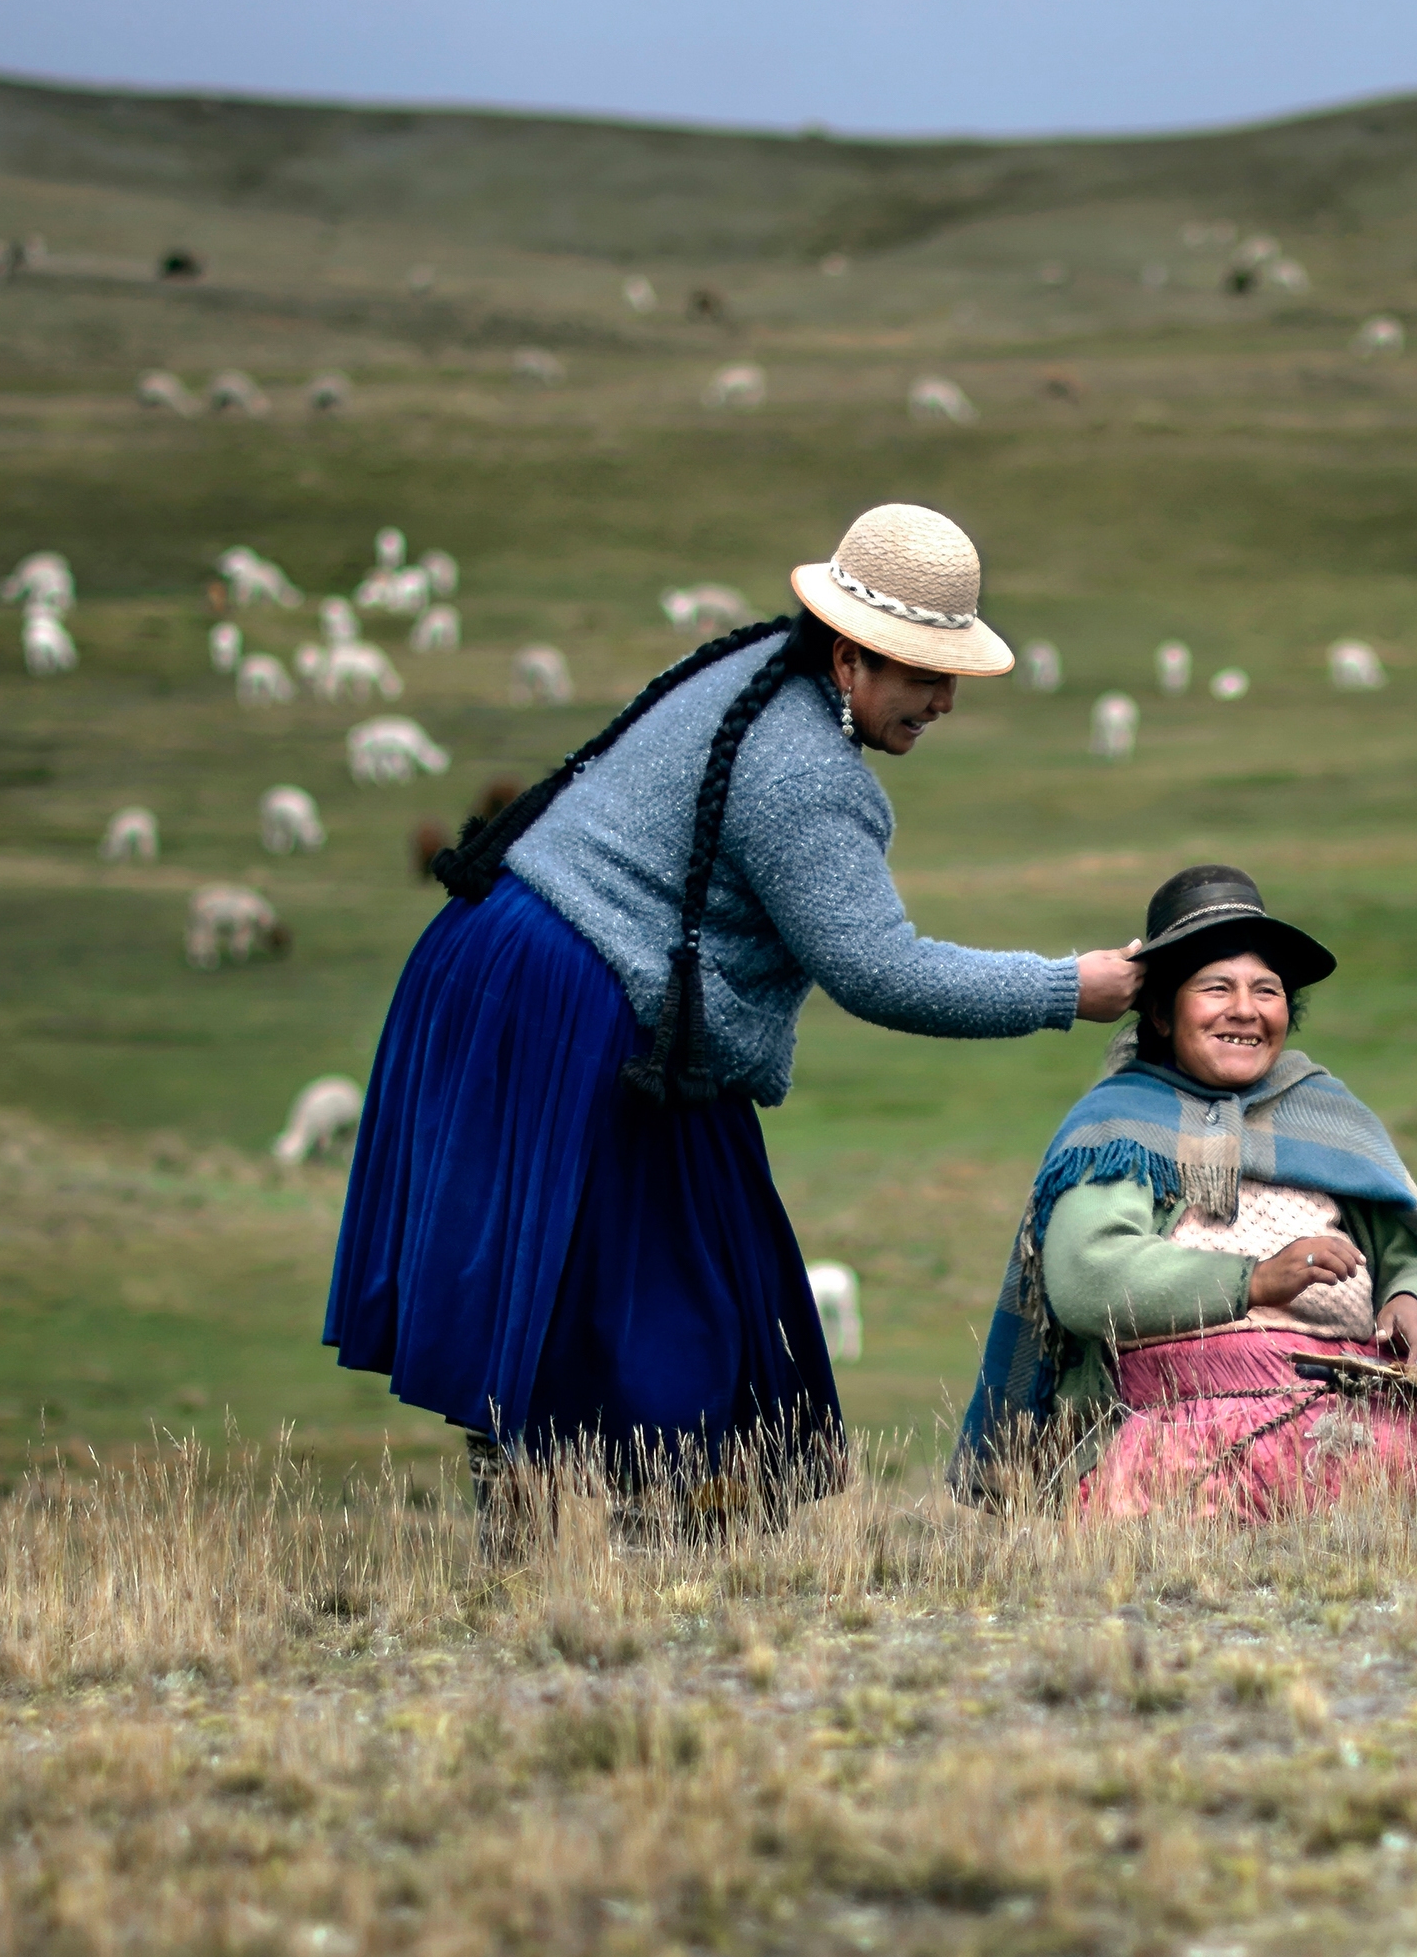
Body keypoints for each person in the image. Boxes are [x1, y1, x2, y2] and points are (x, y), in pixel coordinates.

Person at [323, 503, 1142, 1539]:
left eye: (951, 675)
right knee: (674, 1293)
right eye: (921, 672)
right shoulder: (804, 772)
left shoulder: (761, 668)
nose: (943, 700)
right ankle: (654, 1544)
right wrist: (1075, 985)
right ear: (848, 657)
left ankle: (556, 1536)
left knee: (637, 1268)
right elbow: (880, 972)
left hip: (526, 967)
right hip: (574, 999)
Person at [953, 864, 1417, 1518]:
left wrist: (1413, 1302)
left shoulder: (1329, 1117)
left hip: (1357, 1403)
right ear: (1162, 1014)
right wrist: (1255, 1281)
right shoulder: (1115, 1124)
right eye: (1216, 988)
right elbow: (1088, 1277)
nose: (1246, 1010)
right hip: (1179, 1419)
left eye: (1267, 990)